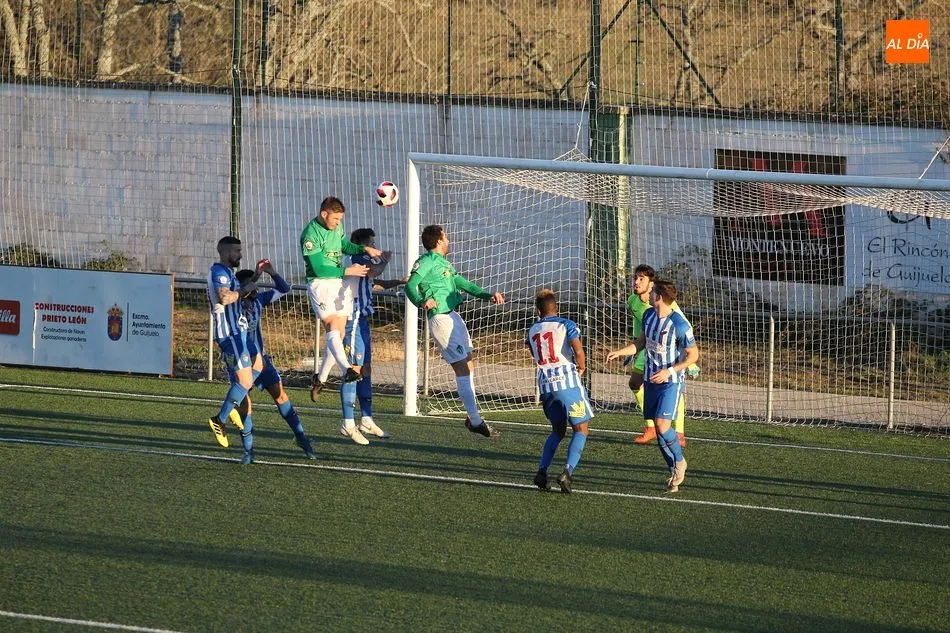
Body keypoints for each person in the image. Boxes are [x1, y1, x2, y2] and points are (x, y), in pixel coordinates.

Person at [404, 224, 504, 439]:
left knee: (469, 362)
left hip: (453, 317)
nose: (449, 240)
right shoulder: (426, 261)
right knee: (462, 368)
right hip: (441, 319)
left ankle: (472, 416)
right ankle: (476, 421)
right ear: (439, 241)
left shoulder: (443, 263)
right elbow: (410, 285)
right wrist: (421, 301)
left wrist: (488, 295)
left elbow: (464, 284)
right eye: (446, 237)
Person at [300, 196, 383, 443]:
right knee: (332, 327)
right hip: (321, 284)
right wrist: (347, 270)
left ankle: (321, 377)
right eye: (335, 219)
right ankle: (346, 370)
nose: (338, 223)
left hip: (337, 283)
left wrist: (364, 249)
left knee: (340, 332)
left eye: (340, 219)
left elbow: (344, 245)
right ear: (324, 213)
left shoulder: (337, 229)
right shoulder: (310, 235)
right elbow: (317, 268)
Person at [311, 227, 404, 444]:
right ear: (362, 244)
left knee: (365, 369)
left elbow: (374, 283)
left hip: (363, 320)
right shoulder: (356, 259)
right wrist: (385, 259)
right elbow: (374, 271)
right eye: (371, 243)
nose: (374, 246)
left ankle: (367, 419)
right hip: (352, 319)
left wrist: (399, 281)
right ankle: (347, 422)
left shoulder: (362, 262)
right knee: (353, 370)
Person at [607, 279, 698, 493]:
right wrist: (620, 352)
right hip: (650, 380)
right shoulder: (648, 315)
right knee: (658, 429)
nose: (649, 293)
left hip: (670, 382)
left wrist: (670, 370)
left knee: (663, 425)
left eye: (653, 291)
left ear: (659, 297)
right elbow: (640, 342)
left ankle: (680, 462)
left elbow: (693, 355)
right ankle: (673, 471)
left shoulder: (679, 323)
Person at [231, 263, 317, 460]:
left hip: (261, 360)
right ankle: (248, 451)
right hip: (240, 361)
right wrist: (247, 284)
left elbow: (284, 289)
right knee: (245, 405)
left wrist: (270, 272)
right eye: (251, 285)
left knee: (280, 395)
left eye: (255, 285)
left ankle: (301, 437)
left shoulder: (259, 301)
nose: (255, 288)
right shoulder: (234, 306)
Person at [527, 289, 592, 494]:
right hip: (567, 384)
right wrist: (581, 367)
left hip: (546, 387)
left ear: (538, 312)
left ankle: (542, 471)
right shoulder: (566, 324)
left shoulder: (532, 330)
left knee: (558, 430)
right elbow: (578, 350)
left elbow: (534, 353)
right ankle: (567, 473)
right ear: (557, 308)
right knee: (581, 429)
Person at [625, 264, 695, 447]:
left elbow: (684, 327)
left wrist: (689, 360)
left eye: (641, 278)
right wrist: (632, 347)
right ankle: (651, 427)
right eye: (635, 277)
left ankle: (679, 432)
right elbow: (640, 326)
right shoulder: (632, 300)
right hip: (648, 347)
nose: (636, 281)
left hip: (668, 350)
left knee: (673, 386)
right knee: (635, 383)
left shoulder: (665, 304)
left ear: (651, 284)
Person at [206, 236, 258, 464]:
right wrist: (245, 291)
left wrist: (256, 276)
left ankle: (235, 403)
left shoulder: (229, 273)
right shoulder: (219, 272)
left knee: (256, 367)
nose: (240, 255)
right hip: (230, 334)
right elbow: (224, 297)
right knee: (245, 383)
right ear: (226, 252)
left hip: (239, 333)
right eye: (237, 251)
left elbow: (242, 291)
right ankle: (220, 418)